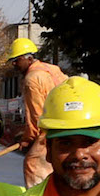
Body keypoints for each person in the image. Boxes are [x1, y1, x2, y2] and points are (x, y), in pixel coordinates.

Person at [5, 37, 67, 186]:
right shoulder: (52, 69)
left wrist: (27, 139)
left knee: (33, 163)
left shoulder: (31, 80)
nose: (14, 64)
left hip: (49, 129)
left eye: (17, 60)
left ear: (29, 58)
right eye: (12, 61)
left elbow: (36, 118)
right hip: (68, 123)